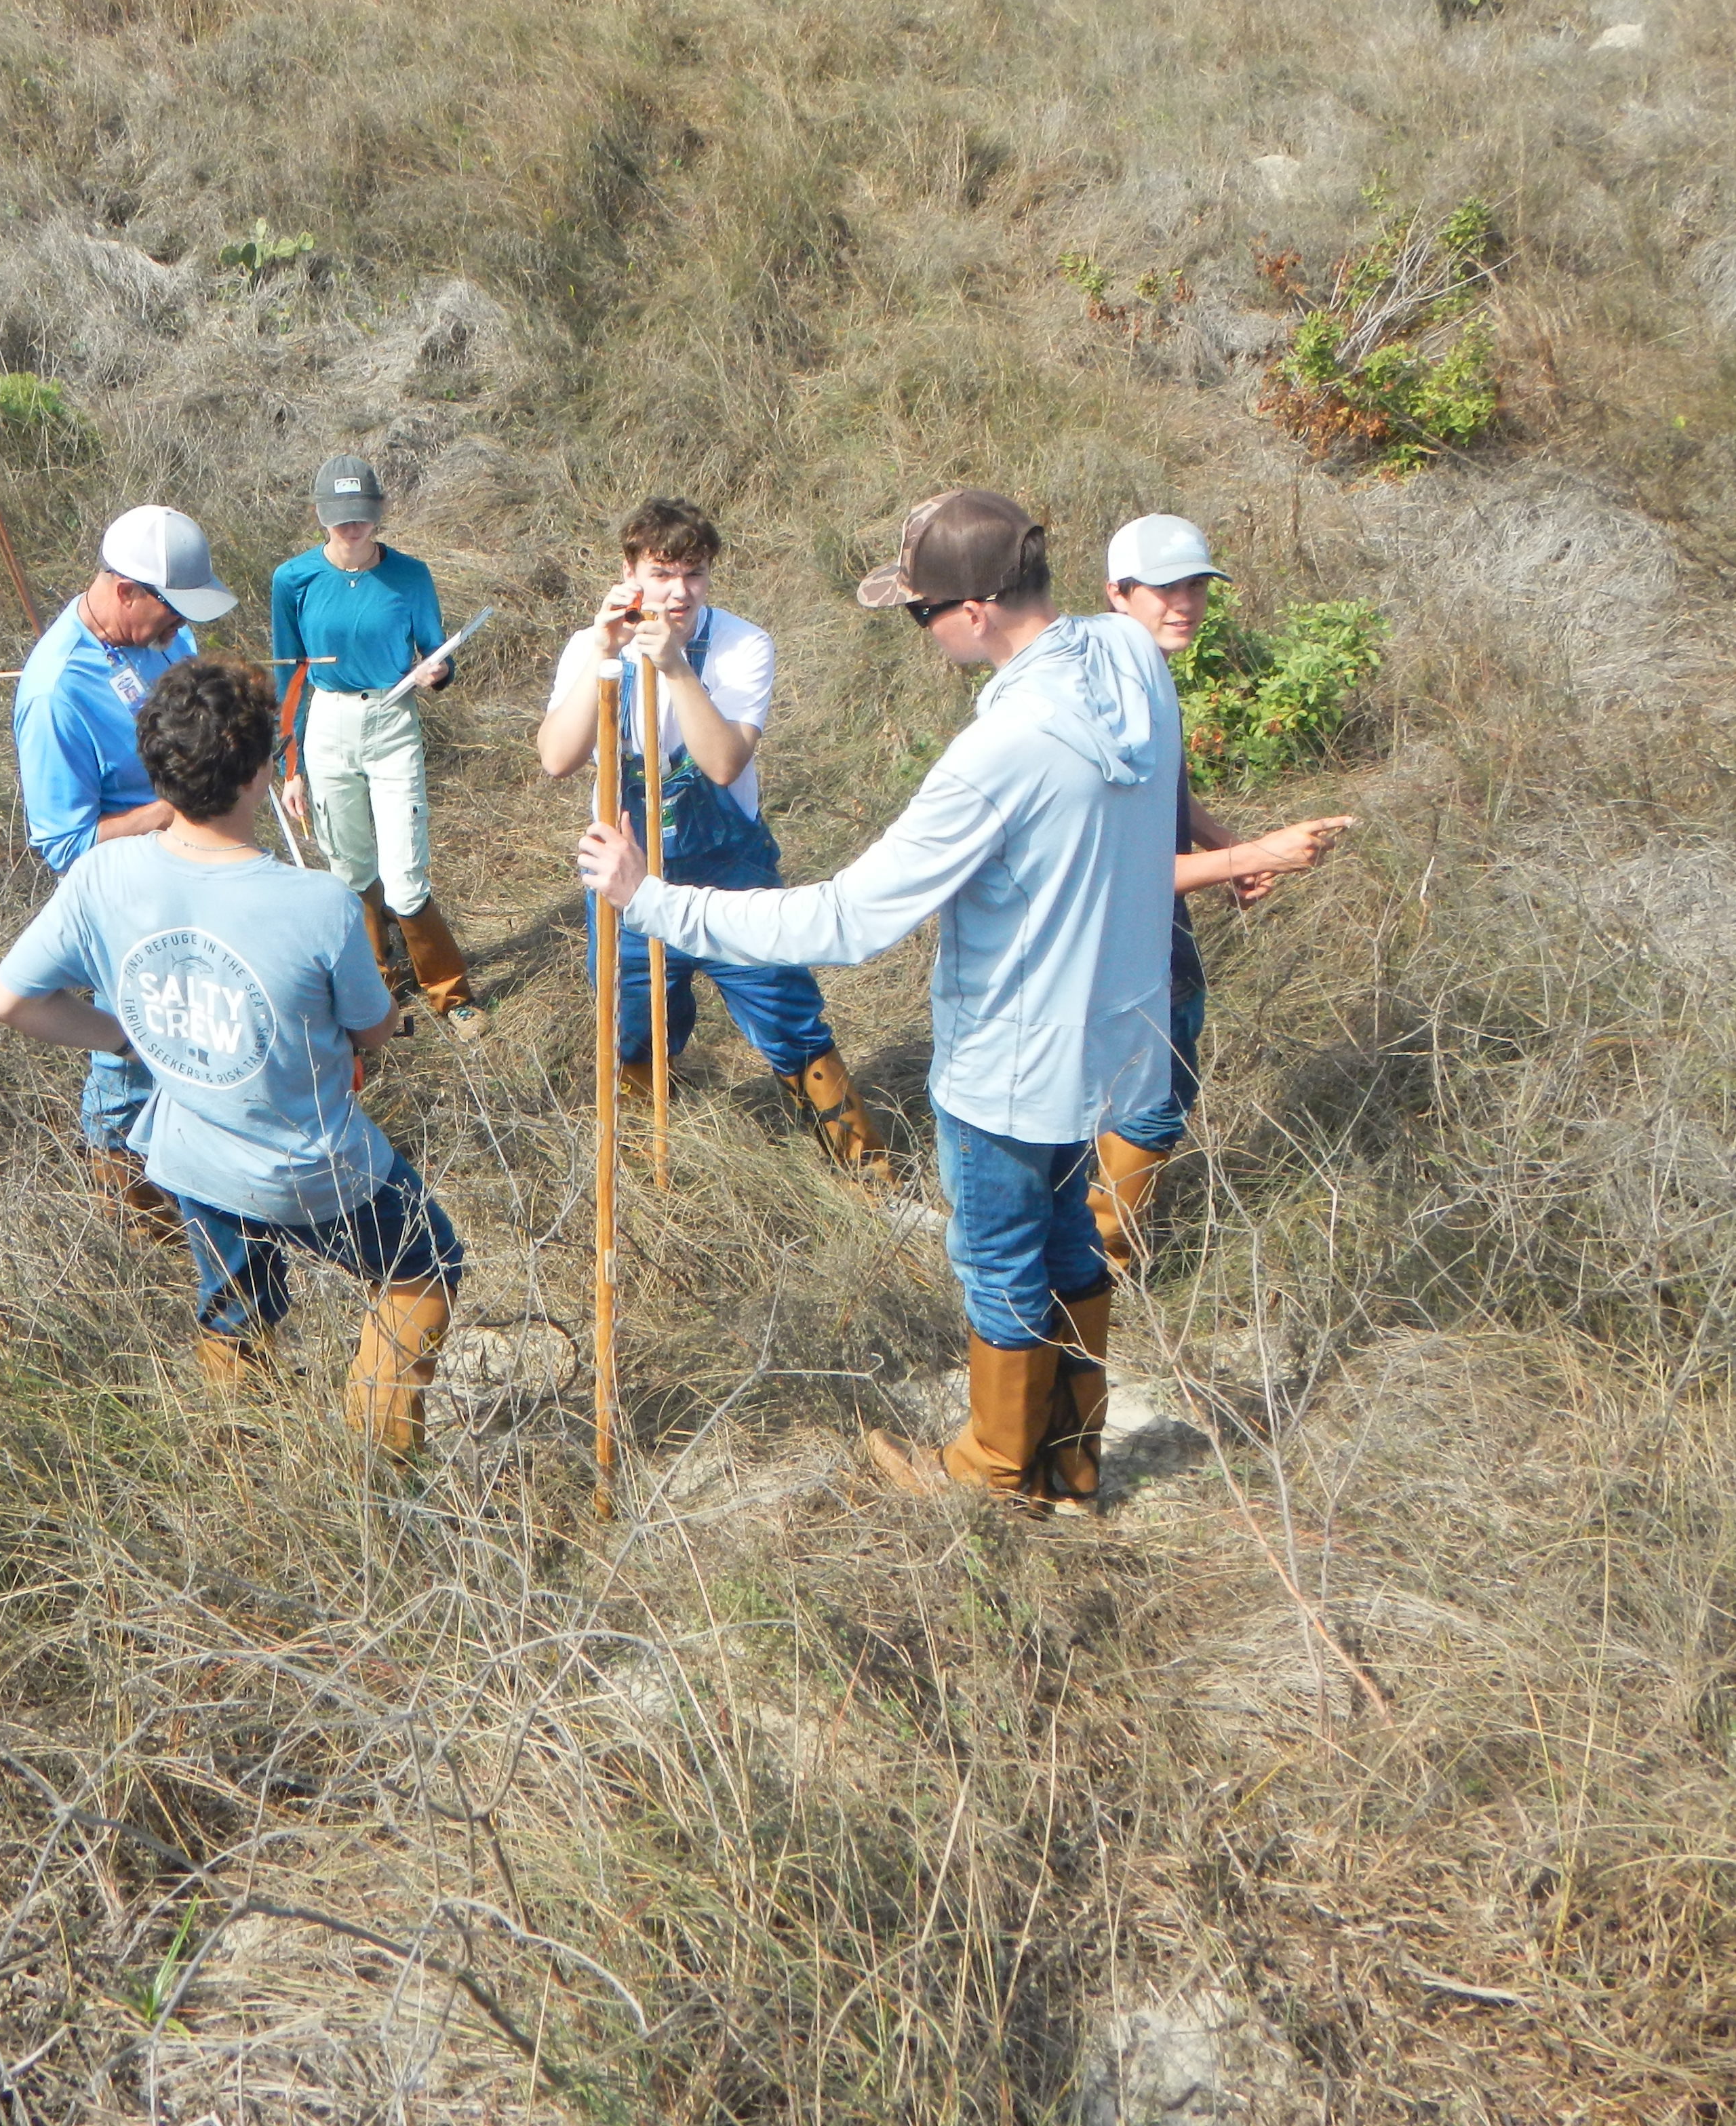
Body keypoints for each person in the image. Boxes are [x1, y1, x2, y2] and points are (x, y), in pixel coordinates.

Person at [575, 490, 1176, 1512]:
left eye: (920, 612)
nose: (921, 629)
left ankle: (993, 1474)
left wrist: (655, 900)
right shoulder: (1132, 659)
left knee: (998, 1260)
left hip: (1011, 1061)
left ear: (976, 611)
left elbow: (847, 921)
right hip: (1116, 1044)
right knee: (1072, 1238)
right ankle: (1072, 1461)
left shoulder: (1001, 753)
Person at [0, 656, 464, 1457]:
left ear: (159, 770)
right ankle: (379, 1454)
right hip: (315, 1168)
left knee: (239, 1309)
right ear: (261, 770)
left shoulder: (102, 874)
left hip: (191, 1156)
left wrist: (124, 1037)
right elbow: (374, 1032)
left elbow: (10, 1001)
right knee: (426, 1267)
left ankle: (247, 1461)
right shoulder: (320, 903)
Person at [535, 497, 892, 1178]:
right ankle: (647, 1158)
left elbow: (725, 764)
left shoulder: (742, 645)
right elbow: (556, 757)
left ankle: (867, 1171)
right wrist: (604, 653)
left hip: (731, 870)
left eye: (694, 575)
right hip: (627, 870)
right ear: (629, 571)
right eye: (662, 572)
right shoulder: (591, 646)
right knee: (635, 1019)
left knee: (788, 1014)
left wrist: (675, 666)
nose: (678, 592)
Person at [1090, 516, 1357, 1282]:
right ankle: (1098, 1266)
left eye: (1197, 586)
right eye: (1164, 587)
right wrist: (1258, 854)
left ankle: (1091, 1253)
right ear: (1118, 592)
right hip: (1120, 936)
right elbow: (1116, 872)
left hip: (1146, 927)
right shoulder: (1114, 692)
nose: (1185, 602)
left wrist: (1221, 844)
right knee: (1150, 1097)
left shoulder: (1143, 670)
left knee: (1144, 1088)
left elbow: (1165, 792)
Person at [10, 504, 238, 1235]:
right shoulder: (56, 693)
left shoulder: (164, 637)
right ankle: (131, 1202)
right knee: (129, 1046)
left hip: (192, 872)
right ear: (127, 591)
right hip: (125, 900)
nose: (180, 632)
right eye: (173, 614)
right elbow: (64, 845)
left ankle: (195, 1151)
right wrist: (170, 810)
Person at [269, 455, 487, 1038]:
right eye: (340, 517)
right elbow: (290, 674)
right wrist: (291, 767)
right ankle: (375, 991)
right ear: (320, 516)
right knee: (349, 868)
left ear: (379, 514)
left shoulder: (411, 575)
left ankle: (449, 994)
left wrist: (436, 672)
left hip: (392, 722)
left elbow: (438, 651)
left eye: (362, 515)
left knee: (406, 870)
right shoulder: (293, 580)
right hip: (328, 727)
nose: (352, 528)